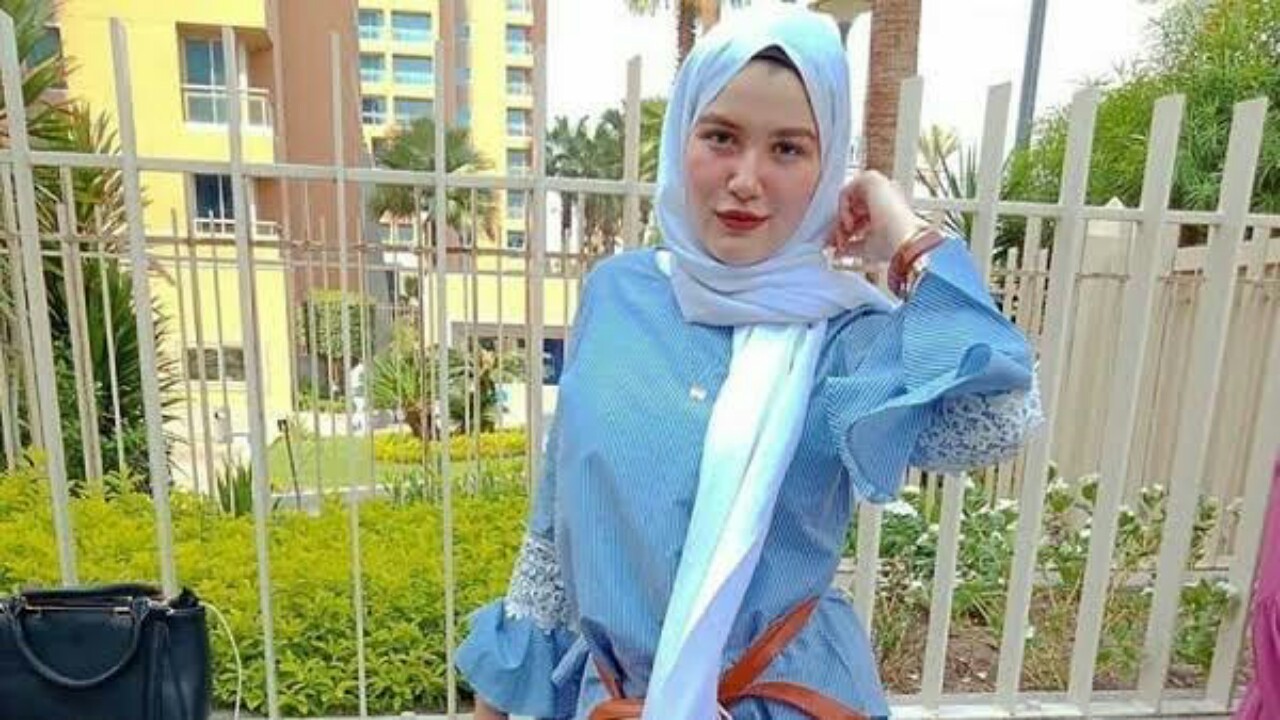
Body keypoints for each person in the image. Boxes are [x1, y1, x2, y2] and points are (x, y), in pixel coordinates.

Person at [457, 7, 1041, 719]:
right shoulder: (616, 294)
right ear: (682, 137)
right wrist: (492, 707)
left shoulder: (845, 339)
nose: (745, 178)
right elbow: (554, 529)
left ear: (828, 168)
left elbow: (1002, 417)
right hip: (615, 701)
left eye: (788, 149)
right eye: (721, 137)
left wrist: (900, 228)